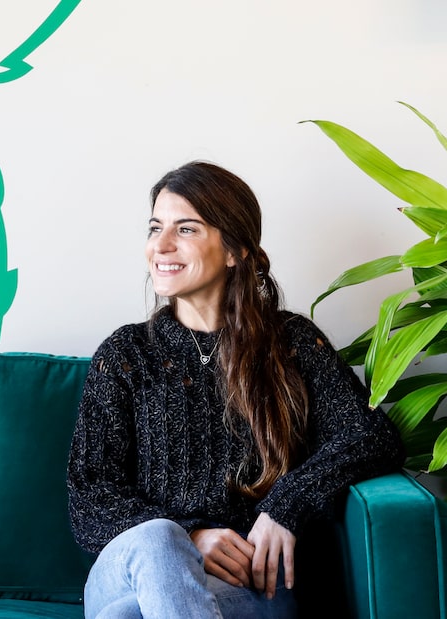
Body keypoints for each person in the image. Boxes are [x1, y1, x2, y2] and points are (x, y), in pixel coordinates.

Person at [67, 161, 405, 619]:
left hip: (245, 583)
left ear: (234, 250)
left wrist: (286, 505)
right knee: (158, 537)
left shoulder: (291, 343)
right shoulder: (127, 353)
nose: (161, 246)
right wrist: (191, 537)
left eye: (185, 229)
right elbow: (90, 498)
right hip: (128, 568)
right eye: (155, 228)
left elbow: (371, 437)